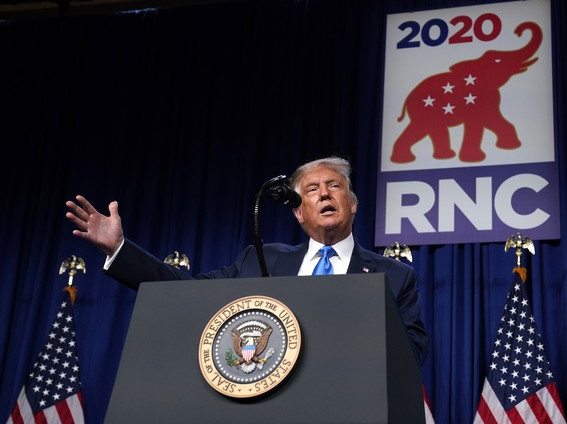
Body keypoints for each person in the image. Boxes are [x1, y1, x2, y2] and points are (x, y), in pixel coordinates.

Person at [65, 156, 428, 366]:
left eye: (334, 186)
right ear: (298, 212)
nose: (324, 194)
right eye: (312, 190)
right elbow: (186, 292)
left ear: (353, 204)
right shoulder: (261, 259)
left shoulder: (393, 275)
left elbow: (411, 355)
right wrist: (120, 248)